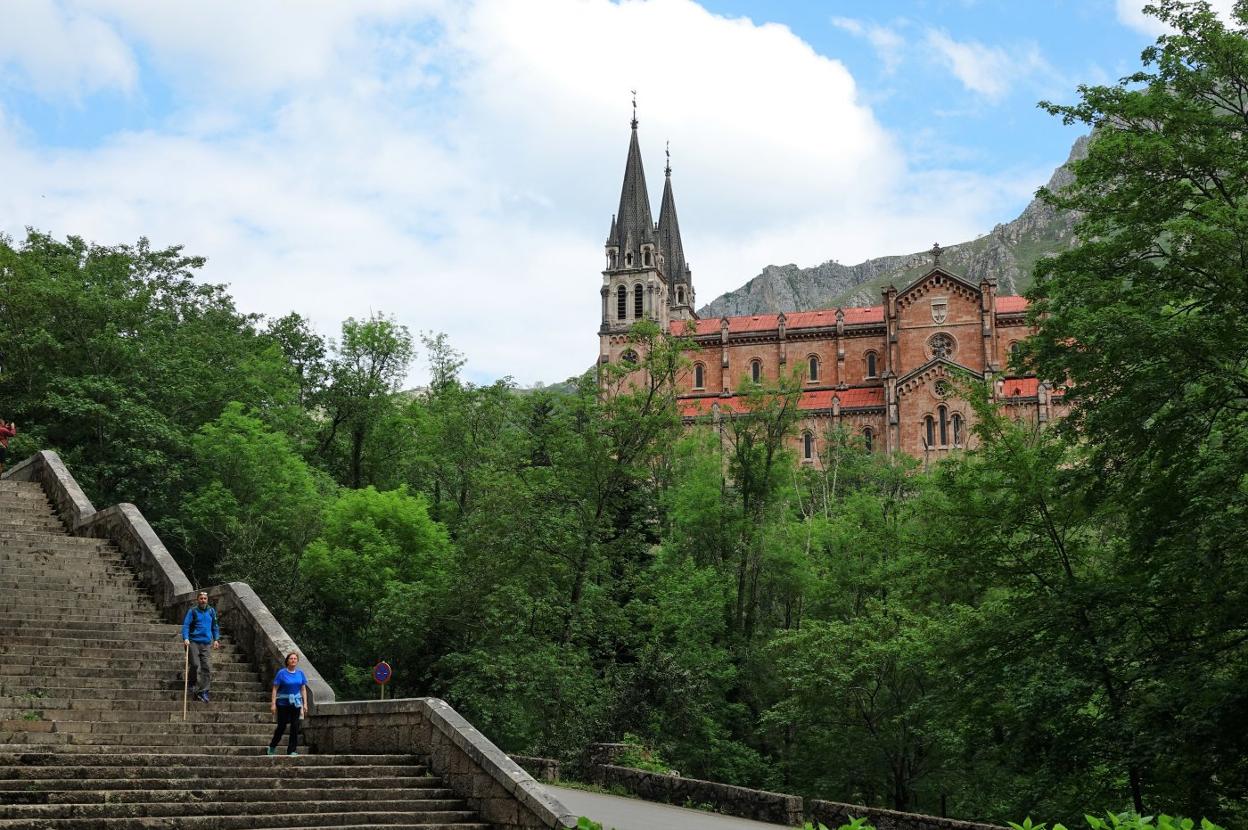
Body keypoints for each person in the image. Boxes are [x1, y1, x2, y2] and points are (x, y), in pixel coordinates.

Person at [181, 591, 220, 703]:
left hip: (206, 643)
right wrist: (186, 638)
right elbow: (186, 625)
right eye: (201, 598)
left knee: (206, 666)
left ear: (207, 600)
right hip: (193, 641)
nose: (203, 600)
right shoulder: (193, 611)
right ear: (197, 600)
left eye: (205, 598)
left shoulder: (211, 611)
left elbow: (215, 626)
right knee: (195, 664)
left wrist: (216, 639)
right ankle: (192, 683)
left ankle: (203, 691)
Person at [268, 651, 308, 756]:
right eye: (291, 658)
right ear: (287, 661)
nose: (293, 660)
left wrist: (305, 704)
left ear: (297, 661)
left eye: (295, 658)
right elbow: (275, 689)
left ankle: (291, 750)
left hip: (296, 703)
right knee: (281, 726)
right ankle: (272, 746)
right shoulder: (281, 673)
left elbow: (303, 689)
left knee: (295, 726)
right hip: (282, 703)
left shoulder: (300, 673)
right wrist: (273, 704)